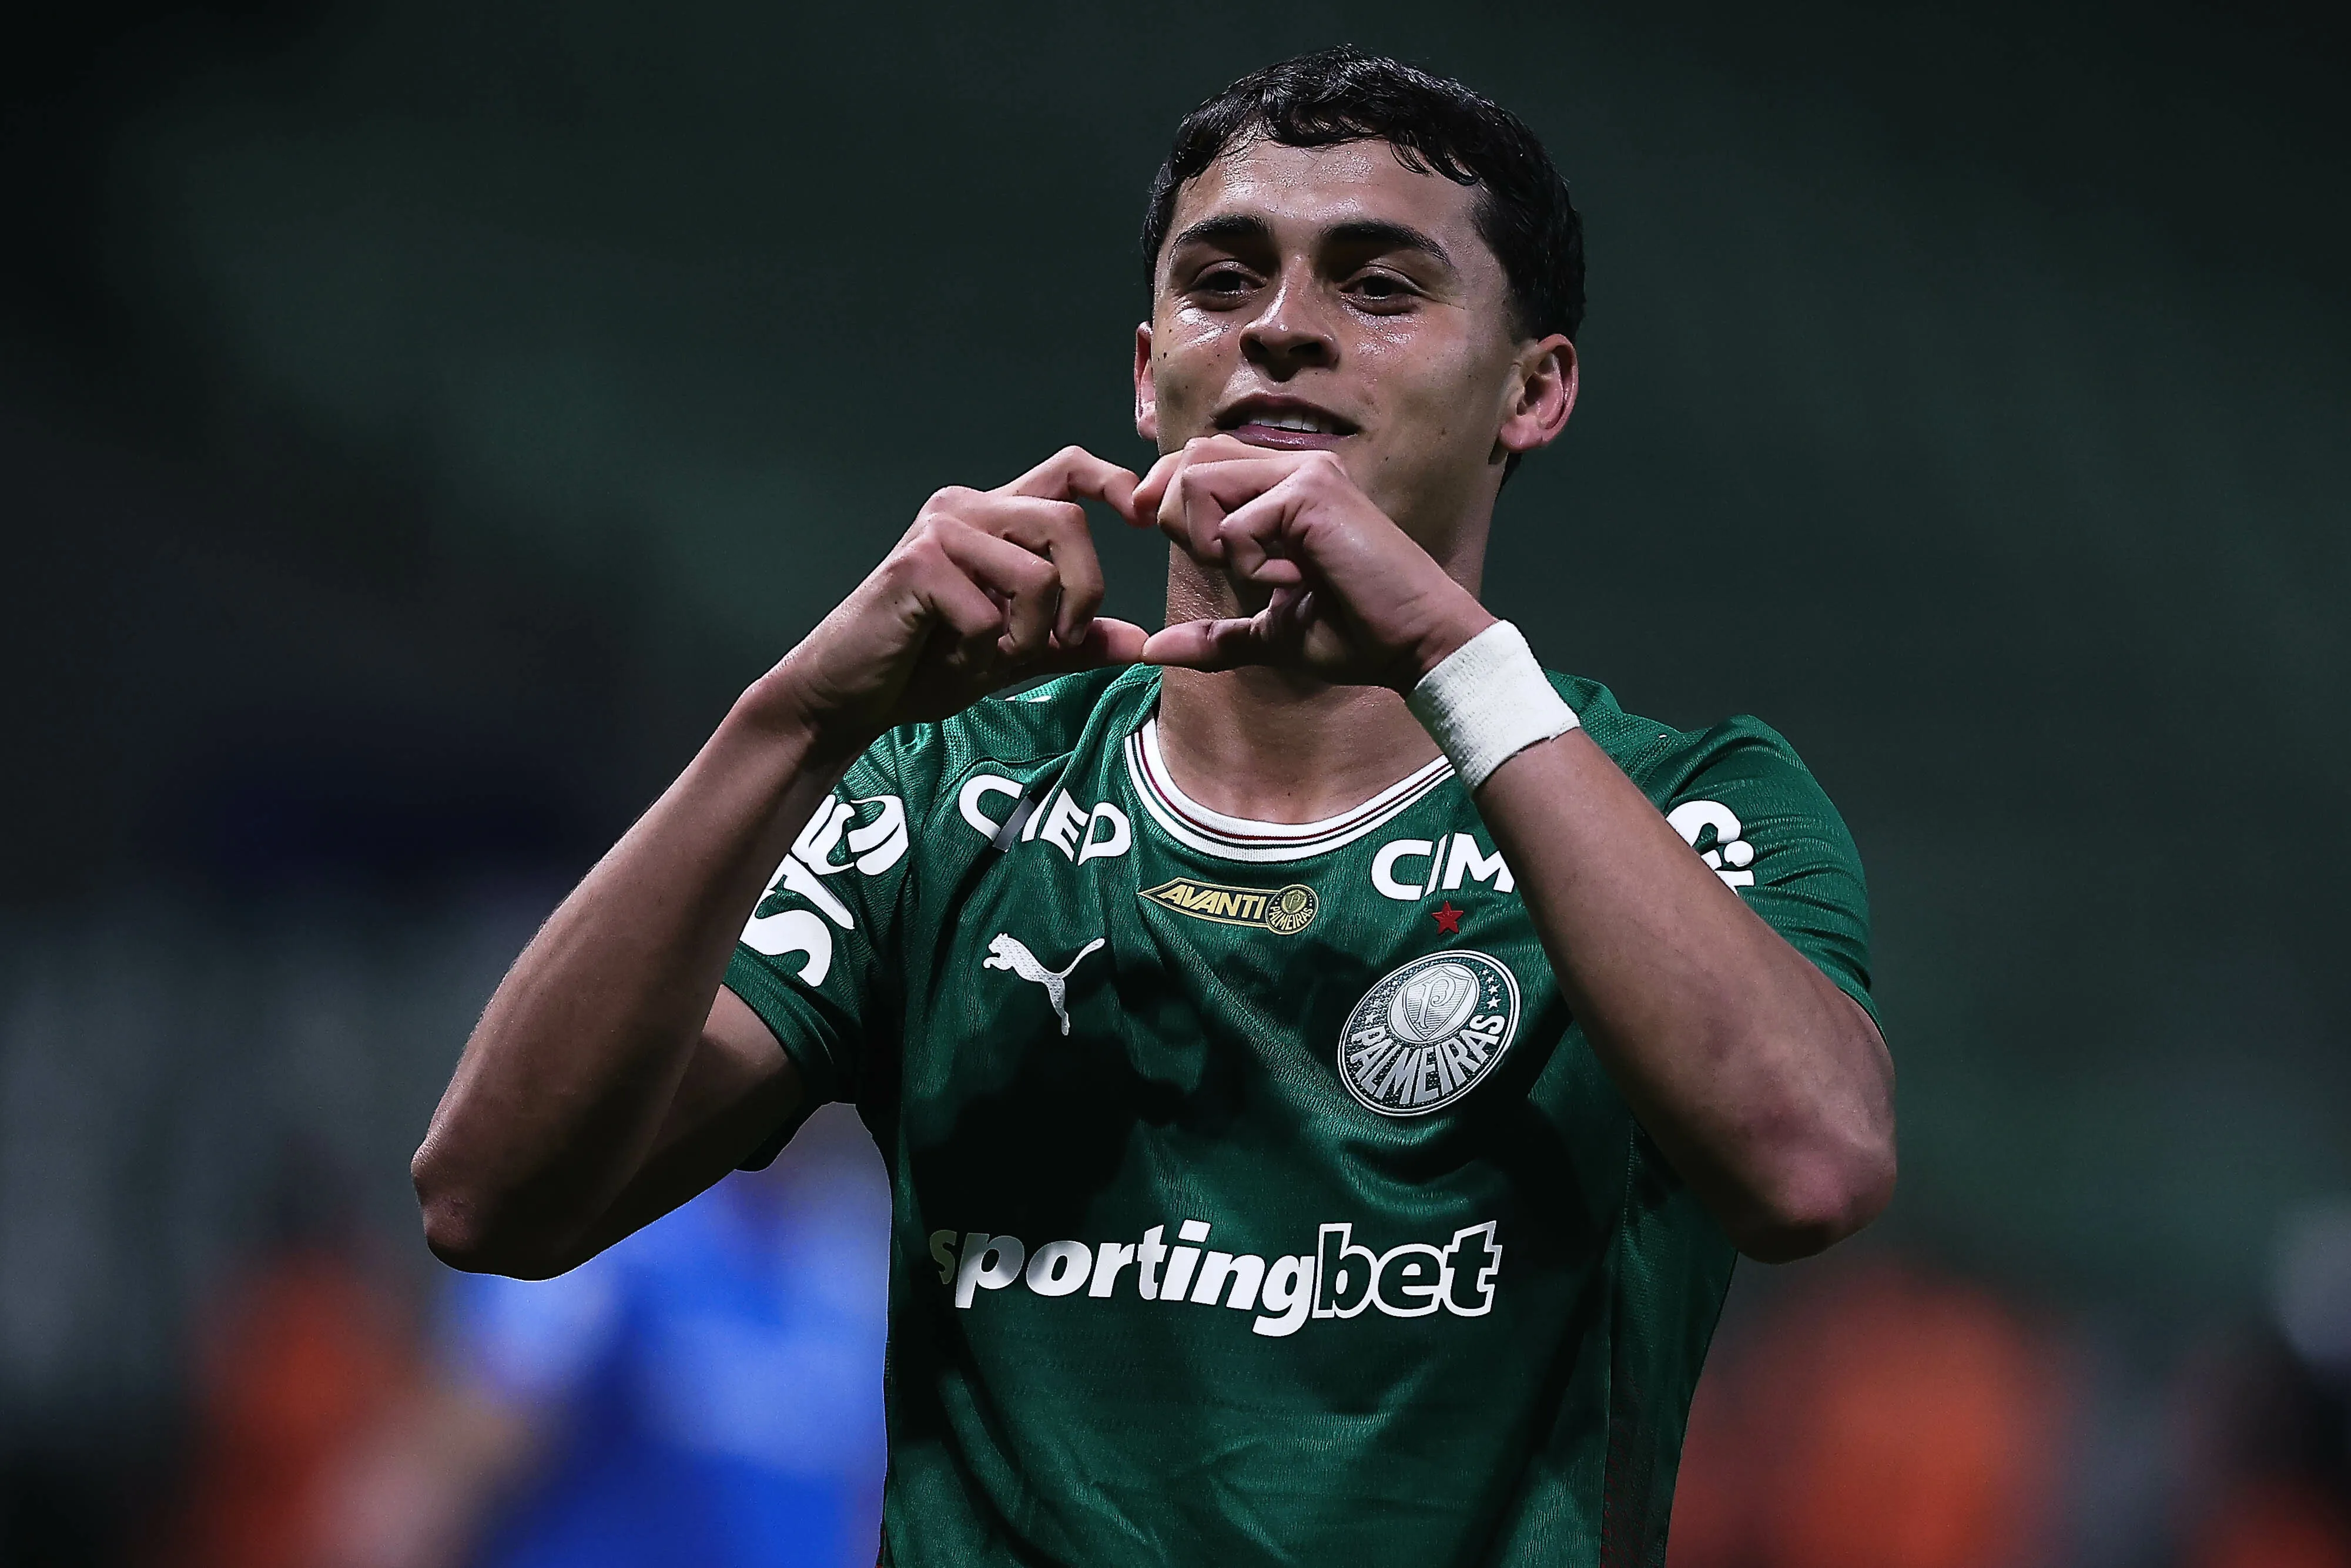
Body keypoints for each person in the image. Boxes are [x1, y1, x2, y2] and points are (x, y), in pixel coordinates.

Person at [411, 46, 1897, 1567]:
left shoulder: (1685, 800)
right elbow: (489, 1197)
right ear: (1145, 369)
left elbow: (1813, 1163)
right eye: (1223, 279)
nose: (1282, 329)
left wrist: (1452, 654)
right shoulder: (945, 797)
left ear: (1537, 388)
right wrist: (792, 719)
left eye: (1379, 286)